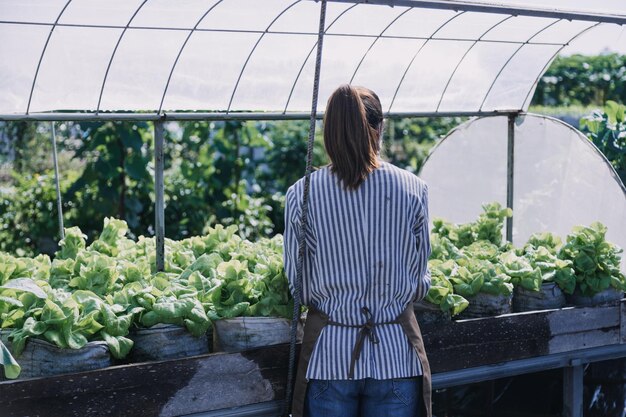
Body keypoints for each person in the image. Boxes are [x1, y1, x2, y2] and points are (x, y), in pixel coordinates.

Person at [284, 84, 432, 417]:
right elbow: (420, 282)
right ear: (380, 127)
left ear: (329, 132)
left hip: (329, 358)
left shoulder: (302, 194)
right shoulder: (414, 189)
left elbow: (299, 286)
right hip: (395, 354)